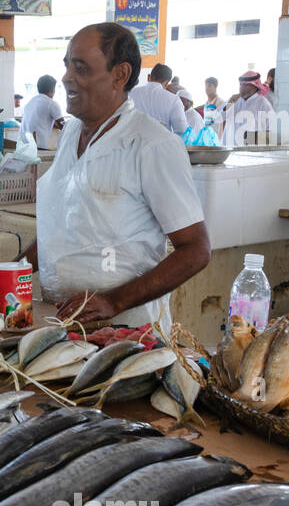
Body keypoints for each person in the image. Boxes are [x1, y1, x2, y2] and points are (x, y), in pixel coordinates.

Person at [25, 22, 210, 328]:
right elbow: (58, 225)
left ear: (119, 75)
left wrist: (115, 301)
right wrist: (13, 269)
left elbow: (196, 250)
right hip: (63, 322)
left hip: (127, 332)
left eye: (80, 68)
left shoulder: (152, 144)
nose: (66, 77)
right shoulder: (71, 131)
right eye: (67, 66)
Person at [128, 63, 188, 134]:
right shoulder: (174, 100)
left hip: (132, 143)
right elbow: (182, 131)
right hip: (162, 143)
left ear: (148, 77)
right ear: (166, 83)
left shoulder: (130, 93)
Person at [221, 70, 277, 146]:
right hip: (230, 150)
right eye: (241, 85)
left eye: (245, 85)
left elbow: (272, 132)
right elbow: (221, 117)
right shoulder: (234, 100)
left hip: (251, 153)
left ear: (255, 87)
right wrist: (229, 103)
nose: (241, 88)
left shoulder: (263, 104)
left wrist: (251, 138)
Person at [22, 74, 66, 150]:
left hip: (22, 145)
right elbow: (63, 126)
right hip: (38, 147)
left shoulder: (30, 102)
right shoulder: (51, 104)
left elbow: (39, 120)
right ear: (53, 90)